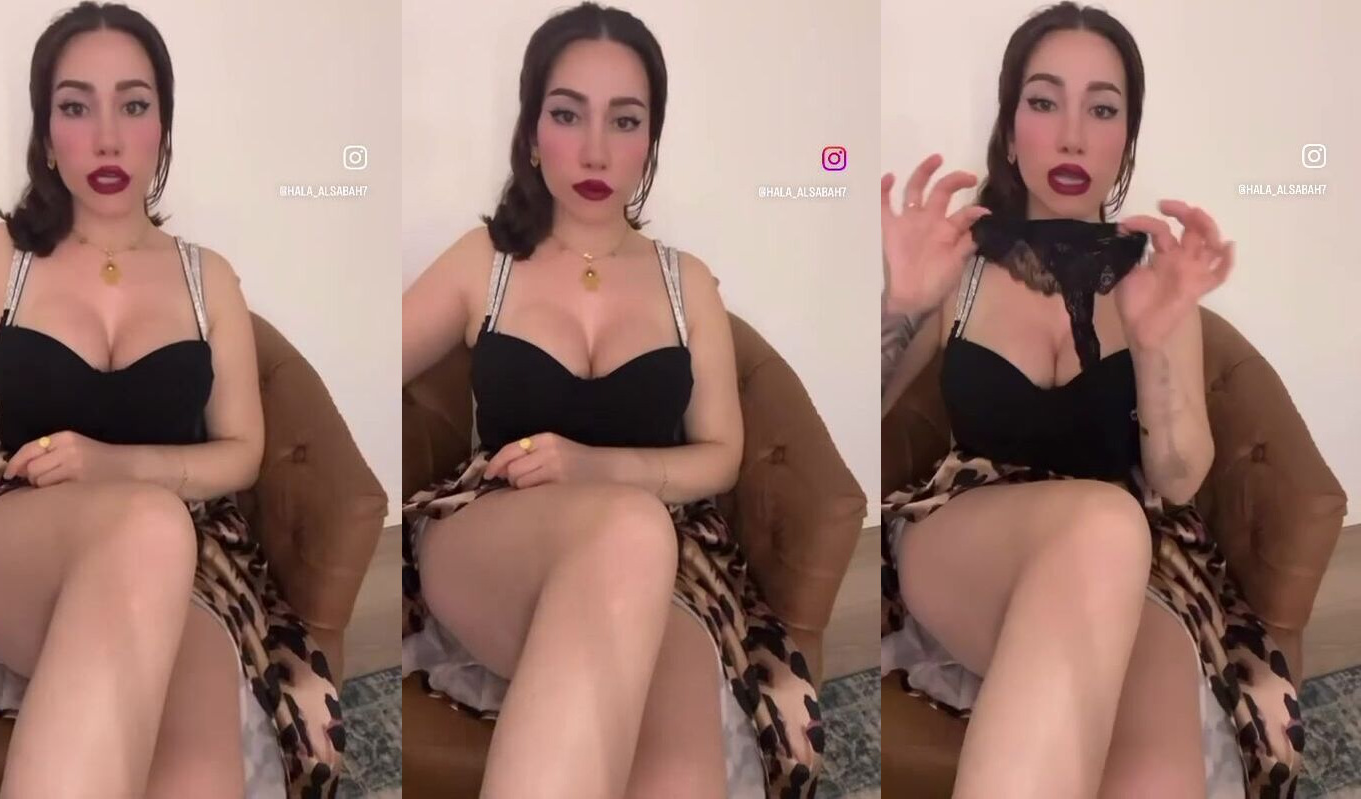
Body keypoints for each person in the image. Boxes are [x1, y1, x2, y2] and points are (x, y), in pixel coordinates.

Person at [399, 4, 823, 797]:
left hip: (662, 554)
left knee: (677, 766)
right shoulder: (484, 259)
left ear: (651, 140)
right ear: (532, 133)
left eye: (624, 121)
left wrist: (595, 467)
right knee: (631, 528)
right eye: (568, 115)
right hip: (495, 528)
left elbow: (722, 455)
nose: (596, 150)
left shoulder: (686, 281)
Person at [877, 3, 1296, 798]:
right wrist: (898, 305)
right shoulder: (960, 263)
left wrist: (1155, 347)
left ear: (1126, 141)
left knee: (1153, 775)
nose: (1071, 136)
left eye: (1101, 109)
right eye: (1044, 102)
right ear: (1010, 132)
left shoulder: (1154, 280)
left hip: (1132, 556)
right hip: (968, 531)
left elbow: (1177, 478)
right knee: (1104, 520)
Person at [0, 4, 341, 796]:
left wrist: (116, 465)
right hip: (15, 532)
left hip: (182, 558)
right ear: (48, 135)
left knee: (197, 761)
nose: (108, 137)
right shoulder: (4, 257)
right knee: (149, 523)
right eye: (76, 106)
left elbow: (243, 452)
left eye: (134, 104)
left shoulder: (207, 277)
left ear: (163, 127)